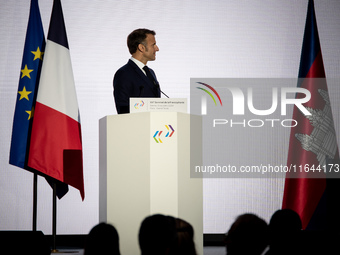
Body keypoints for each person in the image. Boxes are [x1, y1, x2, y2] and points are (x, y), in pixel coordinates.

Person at [113, 28, 160, 114]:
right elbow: (123, 109)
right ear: (141, 47)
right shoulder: (123, 73)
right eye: (153, 45)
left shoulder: (150, 72)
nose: (157, 49)